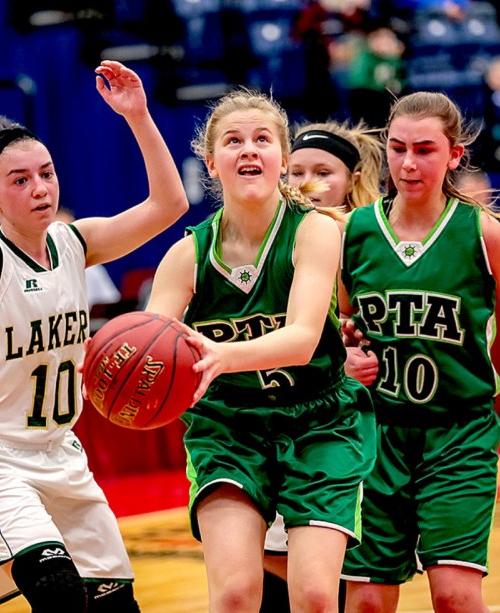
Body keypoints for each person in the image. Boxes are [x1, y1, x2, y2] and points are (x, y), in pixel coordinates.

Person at [0, 1, 189, 611]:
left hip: (63, 455)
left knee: (117, 606)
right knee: (59, 595)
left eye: (46, 173)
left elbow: (169, 207)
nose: (39, 188)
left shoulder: (73, 243)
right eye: (19, 180)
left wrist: (139, 116)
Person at [144, 88, 376, 612]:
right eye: (233, 141)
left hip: (320, 422)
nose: (248, 149)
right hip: (230, 427)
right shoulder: (186, 256)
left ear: (282, 157)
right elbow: (150, 347)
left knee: (316, 596)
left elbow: (301, 339)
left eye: (262, 139)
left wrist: (223, 356)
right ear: (211, 161)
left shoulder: (315, 231)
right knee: (234, 594)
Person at [339, 91, 500, 613]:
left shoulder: (481, 233)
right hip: (375, 436)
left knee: (454, 595)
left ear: (455, 155)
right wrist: (344, 358)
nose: (408, 163)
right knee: (366, 601)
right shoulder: (353, 233)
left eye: (426, 150)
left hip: (458, 432)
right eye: (398, 148)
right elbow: (338, 329)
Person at [261, 120, 384, 612]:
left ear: (352, 180)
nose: (307, 183)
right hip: (294, 422)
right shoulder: (275, 241)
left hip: (372, 430)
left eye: (322, 172)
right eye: (296, 172)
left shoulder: (372, 243)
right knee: (286, 577)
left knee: (363, 589)